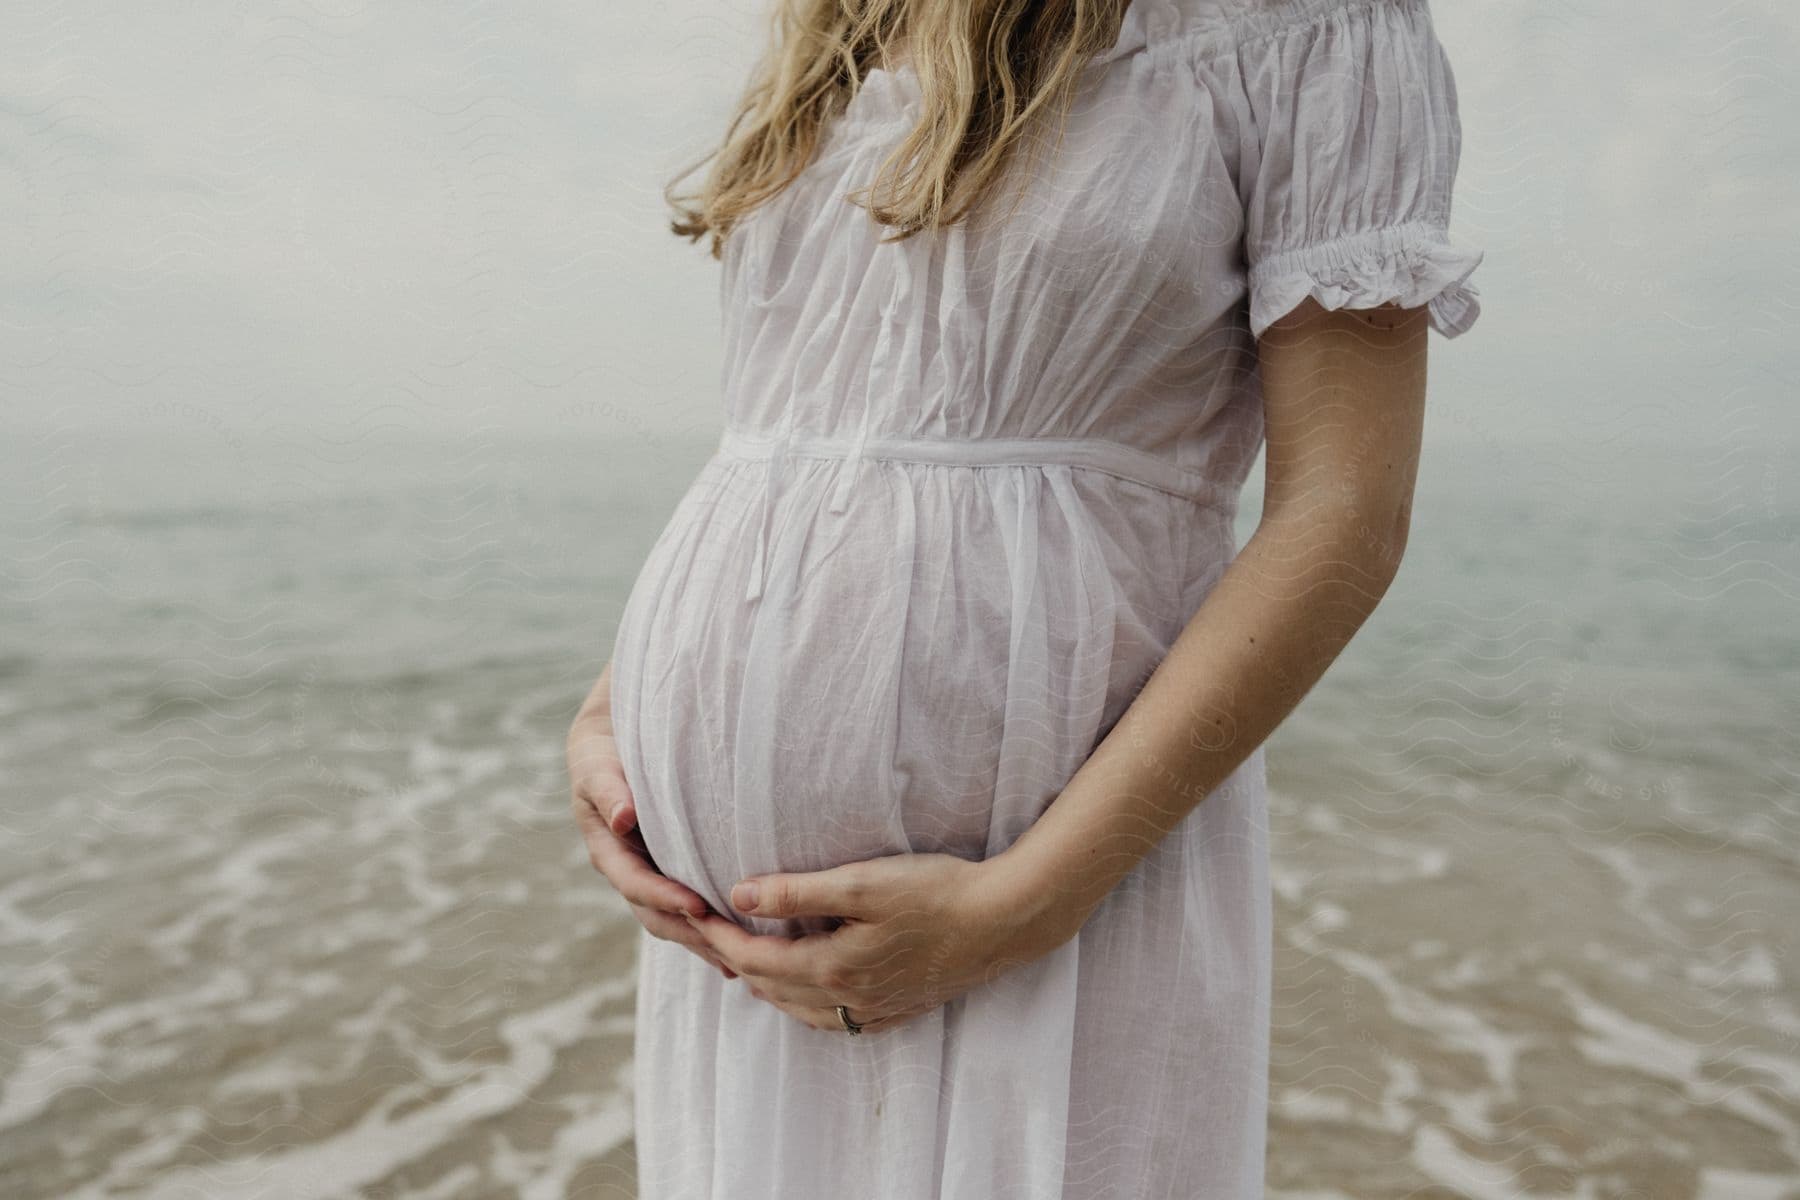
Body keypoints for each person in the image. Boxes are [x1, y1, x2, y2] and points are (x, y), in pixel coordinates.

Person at [567, 0, 1485, 1194]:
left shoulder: (1304, 28)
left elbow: (1344, 514)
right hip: (733, 961)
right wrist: (613, 712)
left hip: (1048, 894)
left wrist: (1024, 904)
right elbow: (798, 443)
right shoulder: (839, 23)